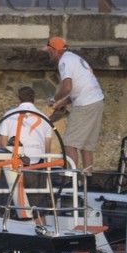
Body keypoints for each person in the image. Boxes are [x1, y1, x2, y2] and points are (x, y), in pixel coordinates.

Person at [44, 35, 104, 170]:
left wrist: (54, 99)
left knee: (69, 144)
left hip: (85, 105)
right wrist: (64, 103)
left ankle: (73, 180)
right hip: (97, 101)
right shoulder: (74, 58)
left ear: (54, 51)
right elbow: (79, 88)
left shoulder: (64, 61)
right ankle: (87, 181)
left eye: (49, 51)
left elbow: (67, 87)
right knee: (87, 146)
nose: (49, 54)